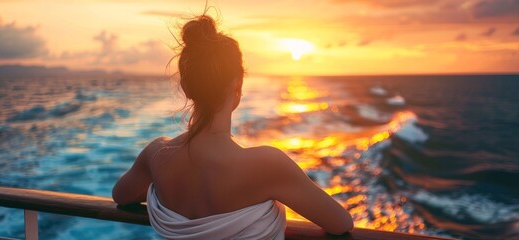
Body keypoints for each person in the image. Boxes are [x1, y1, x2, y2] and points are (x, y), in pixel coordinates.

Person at [112, 13, 353, 239]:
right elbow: (341, 223)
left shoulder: (157, 155)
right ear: (238, 85)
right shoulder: (268, 165)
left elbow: (121, 195)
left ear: (185, 86)